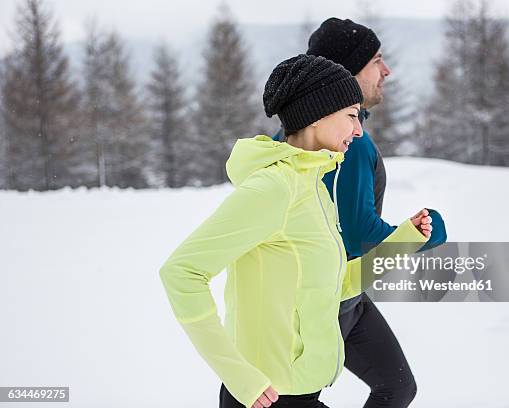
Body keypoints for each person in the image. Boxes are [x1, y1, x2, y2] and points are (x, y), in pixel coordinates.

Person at [159, 54, 432, 408]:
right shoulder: (273, 189)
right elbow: (181, 272)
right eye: (352, 115)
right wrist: (239, 376)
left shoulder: (314, 187)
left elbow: (335, 285)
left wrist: (401, 243)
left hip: (301, 392)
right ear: (317, 117)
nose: (359, 130)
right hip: (267, 399)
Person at [273, 18, 448, 407]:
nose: (386, 71)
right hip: (321, 302)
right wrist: (427, 232)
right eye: (376, 60)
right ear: (347, 72)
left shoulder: (302, 134)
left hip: (345, 296)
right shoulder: (345, 144)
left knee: (397, 386)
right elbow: (358, 234)